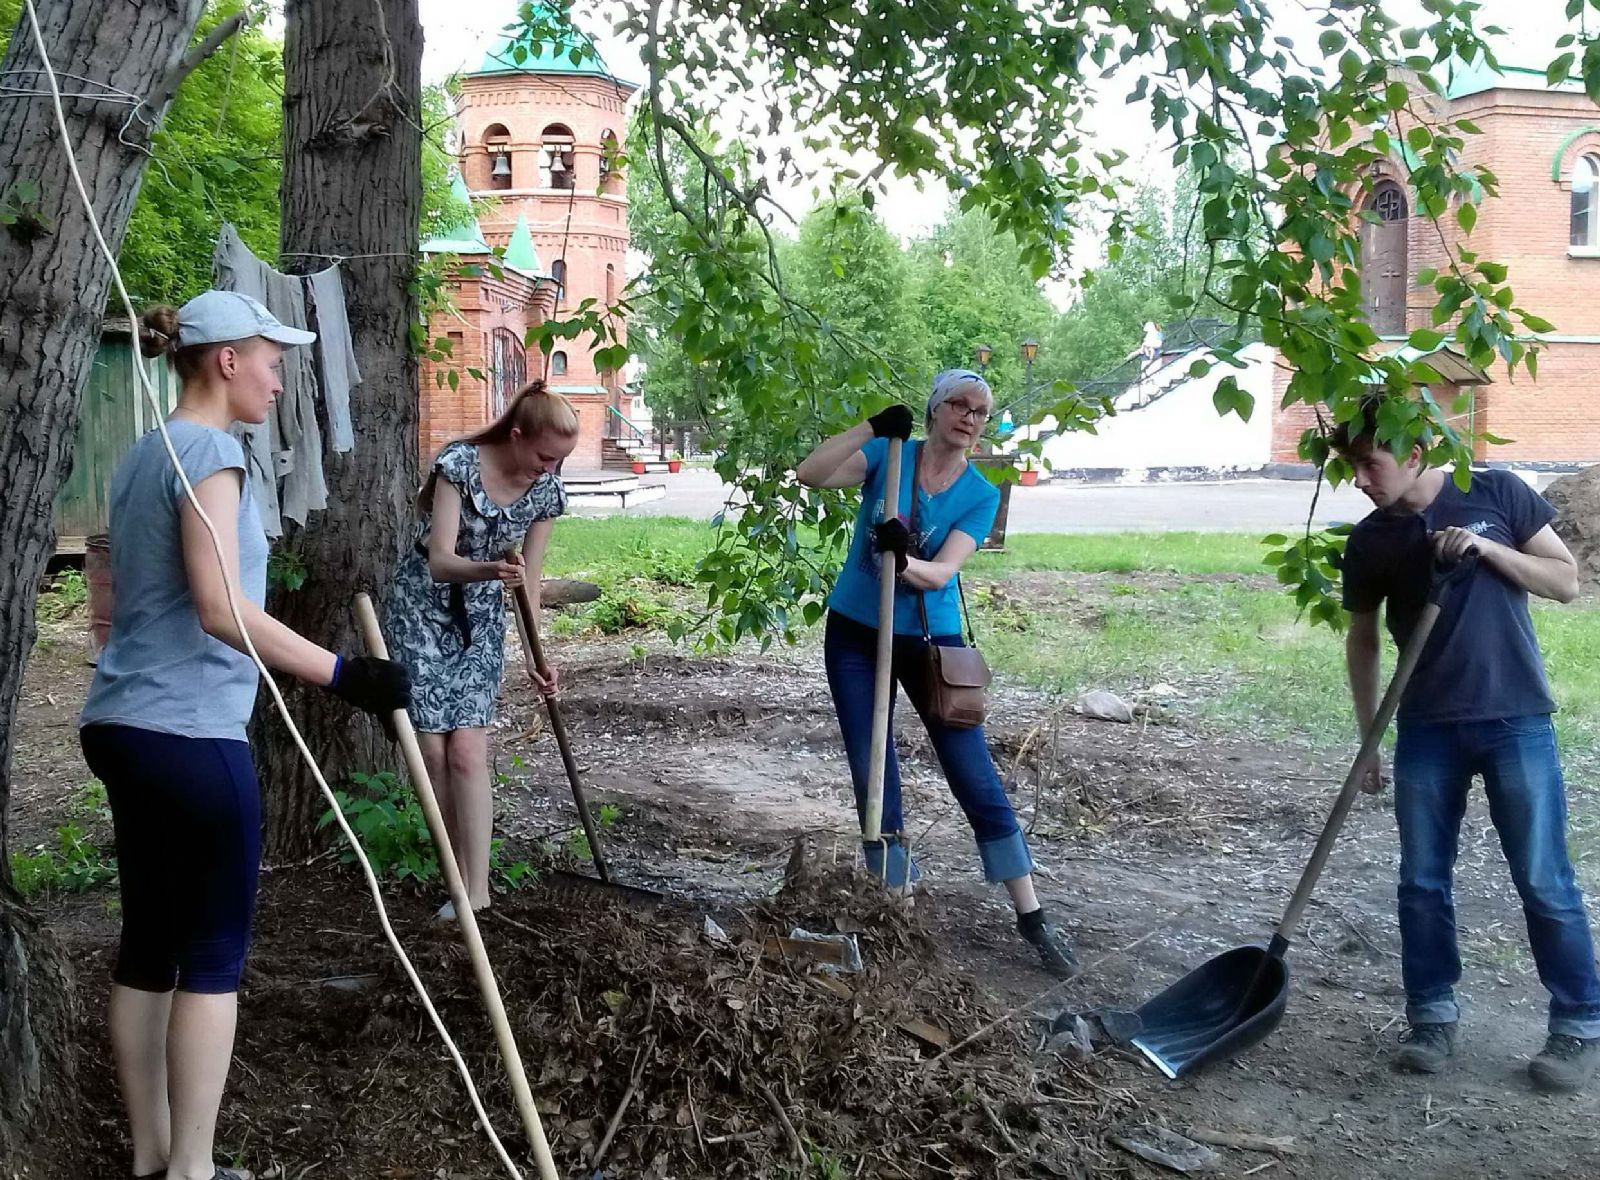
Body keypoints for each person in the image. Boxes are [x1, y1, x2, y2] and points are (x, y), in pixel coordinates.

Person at [79, 291, 412, 1180]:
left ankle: (154, 1159)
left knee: (149, 944)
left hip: (120, 725)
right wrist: (347, 676)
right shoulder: (213, 454)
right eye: (271, 358)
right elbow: (223, 606)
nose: (278, 375)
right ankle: (193, 1170)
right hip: (188, 735)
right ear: (226, 359)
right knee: (214, 956)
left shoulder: (144, 453)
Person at [1336, 405, 1600, 1092]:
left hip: (1516, 718)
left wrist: (1486, 549)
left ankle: (1578, 1023)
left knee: (1544, 879)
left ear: (1417, 451)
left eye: (1371, 464)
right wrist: (1369, 740)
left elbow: (1566, 581)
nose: (1360, 480)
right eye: (1353, 467)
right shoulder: (1371, 541)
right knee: (1422, 882)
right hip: (1426, 726)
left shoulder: (1498, 492)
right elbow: (1362, 642)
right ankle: (1431, 1014)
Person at [796, 369, 1080, 978]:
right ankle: (894, 904)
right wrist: (873, 427)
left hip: (930, 643)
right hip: (855, 633)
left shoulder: (979, 493)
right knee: (874, 771)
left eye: (981, 409)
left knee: (971, 771)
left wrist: (907, 555)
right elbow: (811, 474)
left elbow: (944, 571)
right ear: (934, 409)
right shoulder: (887, 456)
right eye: (960, 403)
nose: (971, 416)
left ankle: (1031, 915)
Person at [385, 381, 575, 919]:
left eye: (560, 461)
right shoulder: (459, 465)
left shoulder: (545, 494)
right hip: (424, 605)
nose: (550, 469)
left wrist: (542, 659)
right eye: (544, 456)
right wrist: (490, 569)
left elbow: (529, 582)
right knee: (432, 753)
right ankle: (454, 878)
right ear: (516, 437)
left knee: (467, 750)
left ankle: (478, 889)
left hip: (482, 617)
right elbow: (440, 560)